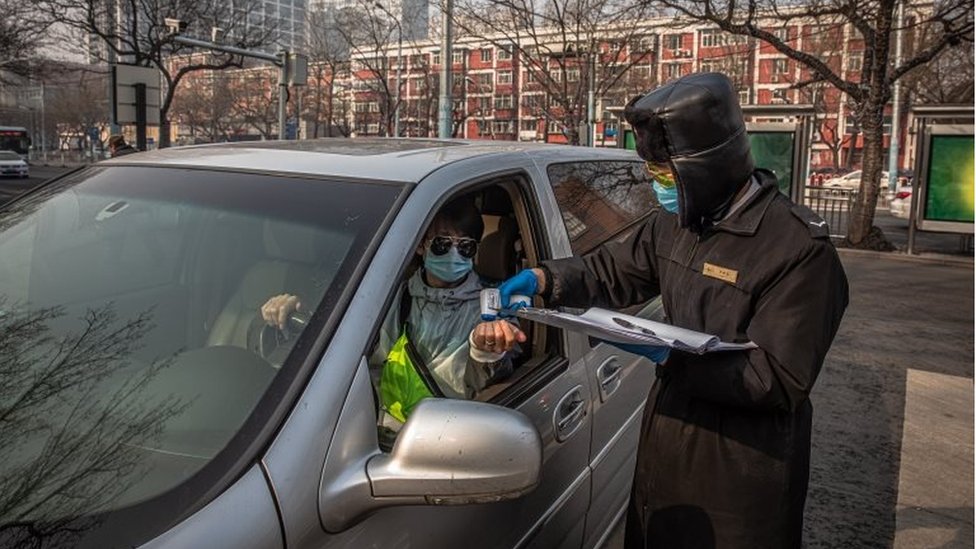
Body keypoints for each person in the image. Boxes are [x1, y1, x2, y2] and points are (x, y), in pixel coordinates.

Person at [495, 72, 849, 548]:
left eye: (664, 174)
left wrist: (664, 353)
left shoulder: (798, 250)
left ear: (708, 165)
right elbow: (612, 270)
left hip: (740, 475)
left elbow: (777, 378)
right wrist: (544, 279)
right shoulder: (678, 223)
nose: (656, 185)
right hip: (667, 445)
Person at [261, 196, 525, 431]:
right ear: (421, 246)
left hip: (446, 437)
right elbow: (344, 337)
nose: (454, 254)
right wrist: (297, 311)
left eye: (465, 246)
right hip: (372, 430)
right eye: (443, 244)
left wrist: (488, 349)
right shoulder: (386, 295)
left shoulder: (494, 308)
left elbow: (494, 388)